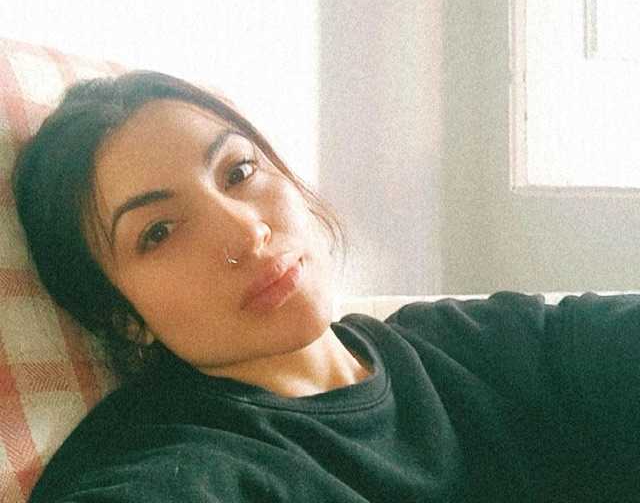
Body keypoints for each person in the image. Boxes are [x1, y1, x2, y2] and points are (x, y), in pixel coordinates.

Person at [12, 71, 640, 502]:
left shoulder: (474, 345)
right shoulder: (183, 463)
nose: (247, 230)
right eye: (159, 232)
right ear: (122, 315)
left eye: (239, 170)